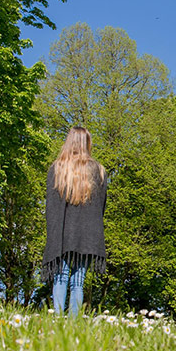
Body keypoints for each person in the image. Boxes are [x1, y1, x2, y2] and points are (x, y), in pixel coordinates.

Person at [42, 126, 107, 316]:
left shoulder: (57, 168)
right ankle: (74, 323)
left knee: (60, 277)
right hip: (87, 234)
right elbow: (101, 206)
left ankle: (57, 320)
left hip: (62, 232)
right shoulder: (99, 171)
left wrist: (53, 233)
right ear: (87, 143)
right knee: (78, 282)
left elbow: (51, 206)